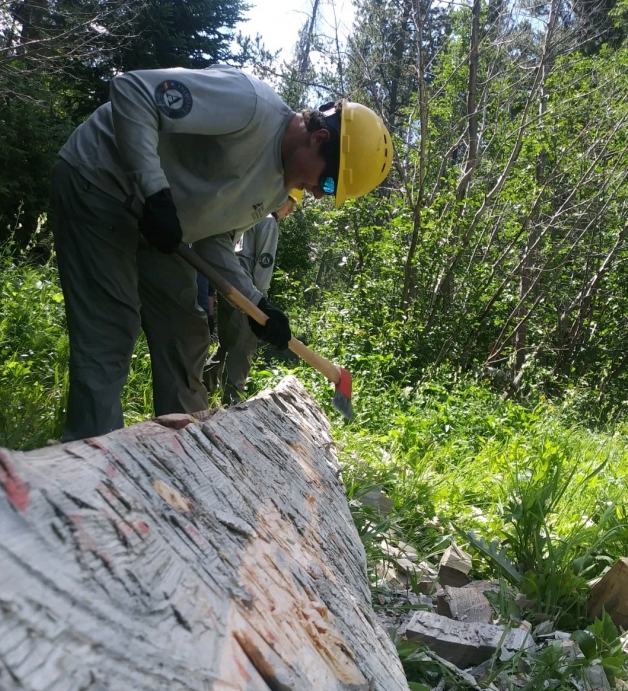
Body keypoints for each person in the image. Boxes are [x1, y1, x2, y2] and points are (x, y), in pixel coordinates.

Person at [51, 65, 393, 440]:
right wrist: (155, 191)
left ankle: (187, 456)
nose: (316, 194)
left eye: (328, 194)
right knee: (111, 331)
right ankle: (91, 465)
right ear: (318, 137)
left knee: (185, 332)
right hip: (100, 184)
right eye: (327, 182)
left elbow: (214, 241)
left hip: (162, 226)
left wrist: (257, 305)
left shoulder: (277, 191)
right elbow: (132, 90)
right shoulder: (247, 104)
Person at [205, 190, 301, 402]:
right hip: (248, 293)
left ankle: (203, 389)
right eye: (291, 204)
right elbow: (263, 264)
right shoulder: (269, 223)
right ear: (281, 198)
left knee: (226, 343)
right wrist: (261, 304)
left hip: (229, 283)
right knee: (243, 348)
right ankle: (233, 400)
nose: (291, 210)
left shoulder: (249, 214)